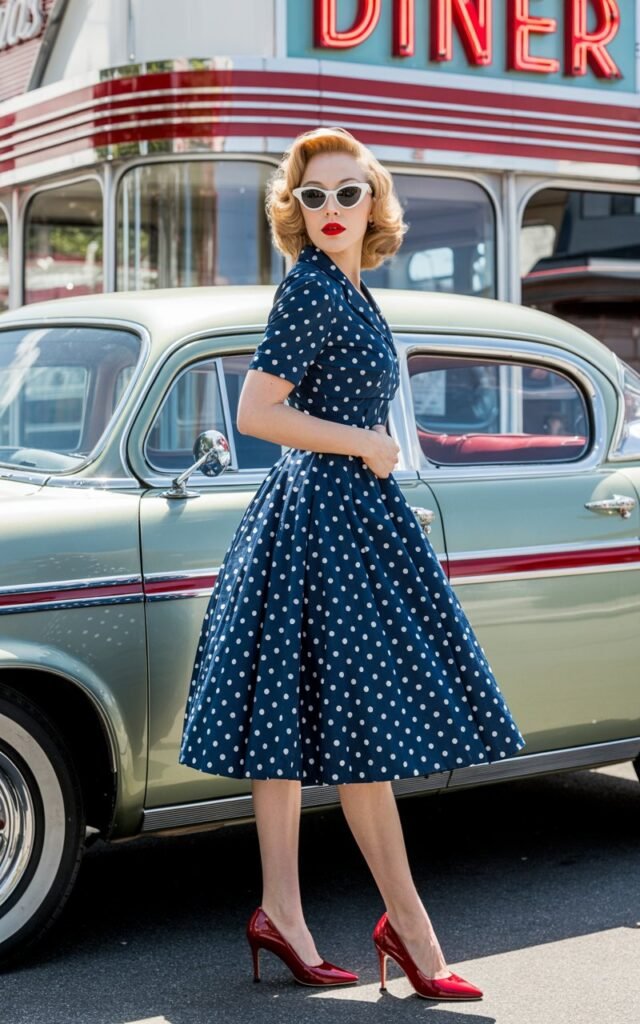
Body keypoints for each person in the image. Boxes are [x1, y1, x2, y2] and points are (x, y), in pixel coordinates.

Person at [178, 126, 526, 1001]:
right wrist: (367, 444)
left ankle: (282, 913)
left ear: (374, 201)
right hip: (323, 515)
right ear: (294, 211)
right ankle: (409, 930)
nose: (329, 209)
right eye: (312, 197)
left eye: (346, 193)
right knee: (360, 728)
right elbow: (258, 409)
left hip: (330, 515)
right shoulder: (311, 291)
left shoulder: (347, 290)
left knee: (291, 727)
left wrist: (373, 455)